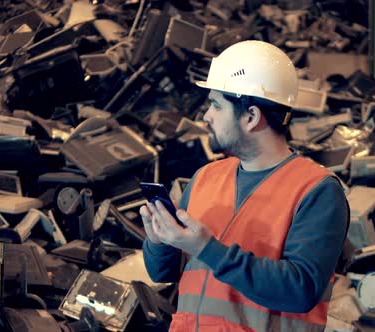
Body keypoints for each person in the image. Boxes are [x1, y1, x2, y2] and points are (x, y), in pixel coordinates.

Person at [141, 40, 349, 332]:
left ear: (250, 117)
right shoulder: (205, 178)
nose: (206, 116)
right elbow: (162, 272)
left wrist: (206, 247)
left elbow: (300, 290)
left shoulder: (316, 190)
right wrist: (159, 241)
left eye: (215, 105)